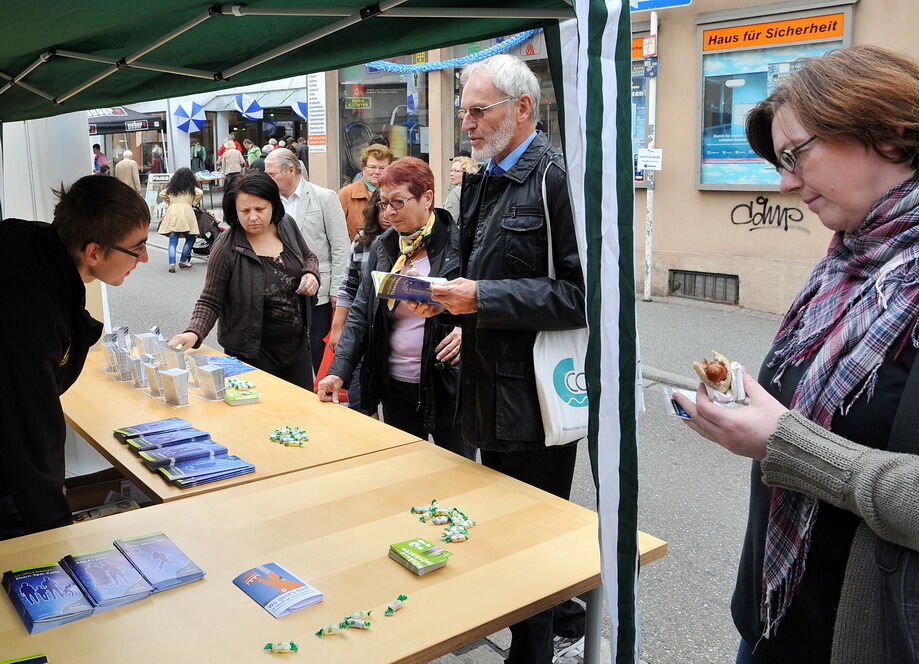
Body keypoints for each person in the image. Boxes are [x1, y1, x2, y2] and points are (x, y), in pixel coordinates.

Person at [673, 45, 919, 664]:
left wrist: (782, 441)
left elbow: (804, 443)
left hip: (867, 639)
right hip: (774, 614)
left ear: (886, 133)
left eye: (796, 154)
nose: (784, 183)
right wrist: (742, 409)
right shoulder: (850, 261)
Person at [415, 54, 587, 663]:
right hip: (488, 383)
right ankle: (526, 633)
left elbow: (580, 295)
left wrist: (481, 298)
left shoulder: (558, 179)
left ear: (522, 109)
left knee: (533, 537)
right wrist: (447, 301)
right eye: (463, 111)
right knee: (500, 531)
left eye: (477, 110)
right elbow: (473, 266)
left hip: (537, 396)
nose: (467, 123)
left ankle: (536, 646)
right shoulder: (483, 177)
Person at [0, 176, 149, 539]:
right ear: (94, 252)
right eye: (137, 248)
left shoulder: (32, 242)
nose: (144, 258)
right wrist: (54, 530)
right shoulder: (34, 306)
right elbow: (30, 421)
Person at [318, 158, 475, 460]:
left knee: (457, 473)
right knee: (405, 470)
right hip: (395, 385)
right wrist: (339, 372)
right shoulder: (384, 246)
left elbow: (482, 302)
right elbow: (362, 315)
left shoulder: (461, 243)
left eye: (398, 203)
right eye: (384, 202)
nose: (389, 213)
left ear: (427, 198)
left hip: (448, 385)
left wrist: (465, 328)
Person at [169, 173, 320, 390]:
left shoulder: (287, 225)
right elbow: (210, 300)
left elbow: (309, 257)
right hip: (251, 355)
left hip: (297, 350)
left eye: (260, 209)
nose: (253, 217)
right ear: (234, 211)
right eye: (245, 211)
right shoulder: (226, 247)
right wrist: (194, 332)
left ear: (273, 205)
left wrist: (311, 274)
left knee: (301, 417)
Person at [265, 148, 349, 375]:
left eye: (271, 174)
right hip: (283, 293)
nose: (267, 179)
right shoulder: (270, 203)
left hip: (319, 293)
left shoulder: (324, 197)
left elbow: (340, 246)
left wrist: (338, 291)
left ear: (290, 170)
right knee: (291, 355)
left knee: (319, 356)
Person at [328, 188, 391, 411]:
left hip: (393, 334)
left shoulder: (408, 243)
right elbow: (348, 287)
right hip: (363, 327)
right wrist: (337, 328)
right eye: (382, 206)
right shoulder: (362, 242)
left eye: (394, 205)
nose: (387, 213)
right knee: (359, 399)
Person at [338, 143, 393, 241]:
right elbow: (336, 233)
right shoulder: (346, 194)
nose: (377, 172)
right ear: (363, 167)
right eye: (372, 167)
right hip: (357, 253)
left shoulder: (396, 194)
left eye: (382, 168)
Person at [157, 167, 203, 273]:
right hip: (187, 212)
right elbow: (200, 192)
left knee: (173, 240)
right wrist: (193, 202)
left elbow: (162, 194)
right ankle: (183, 260)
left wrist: (170, 202)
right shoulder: (191, 189)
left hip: (173, 212)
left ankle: (171, 263)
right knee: (190, 238)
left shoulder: (172, 188)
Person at [441, 155, 479, 222]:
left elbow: (451, 223)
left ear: (467, 173)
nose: (451, 174)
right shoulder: (477, 189)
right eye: (451, 170)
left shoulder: (457, 192)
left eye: (456, 171)